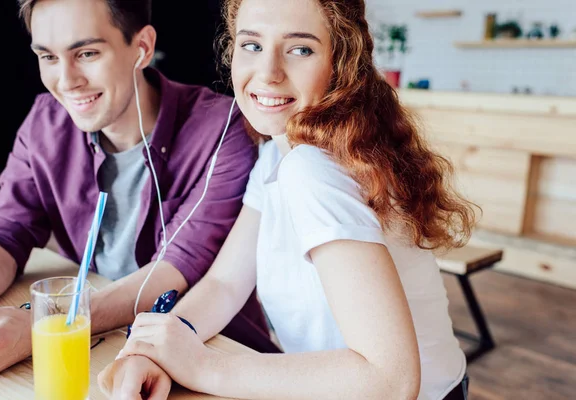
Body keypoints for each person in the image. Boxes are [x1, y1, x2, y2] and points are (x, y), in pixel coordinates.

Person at [99, 0, 477, 399]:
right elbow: (226, 283)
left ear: (341, 61)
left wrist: (204, 366)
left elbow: (391, 381)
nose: (268, 73)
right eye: (252, 45)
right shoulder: (279, 153)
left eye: (300, 49)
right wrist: (160, 347)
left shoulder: (315, 169)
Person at [0, 0, 280, 378]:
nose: (66, 80)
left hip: (212, 357)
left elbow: (176, 266)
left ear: (142, 48)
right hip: (107, 346)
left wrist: (45, 323)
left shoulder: (224, 130)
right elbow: (5, 231)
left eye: (86, 53)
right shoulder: (46, 121)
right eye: (48, 57)